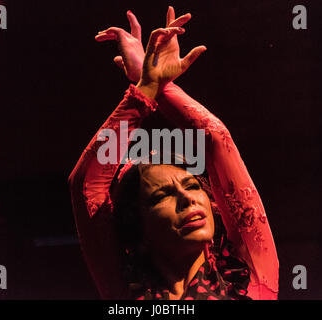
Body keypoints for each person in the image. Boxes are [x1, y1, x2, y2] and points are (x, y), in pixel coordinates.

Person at [68, 7, 279, 300]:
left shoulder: (249, 281)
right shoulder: (124, 290)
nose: (187, 198)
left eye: (192, 186)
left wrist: (157, 87)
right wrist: (148, 86)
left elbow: (216, 139)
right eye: (161, 196)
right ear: (137, 225)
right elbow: (87, 185)